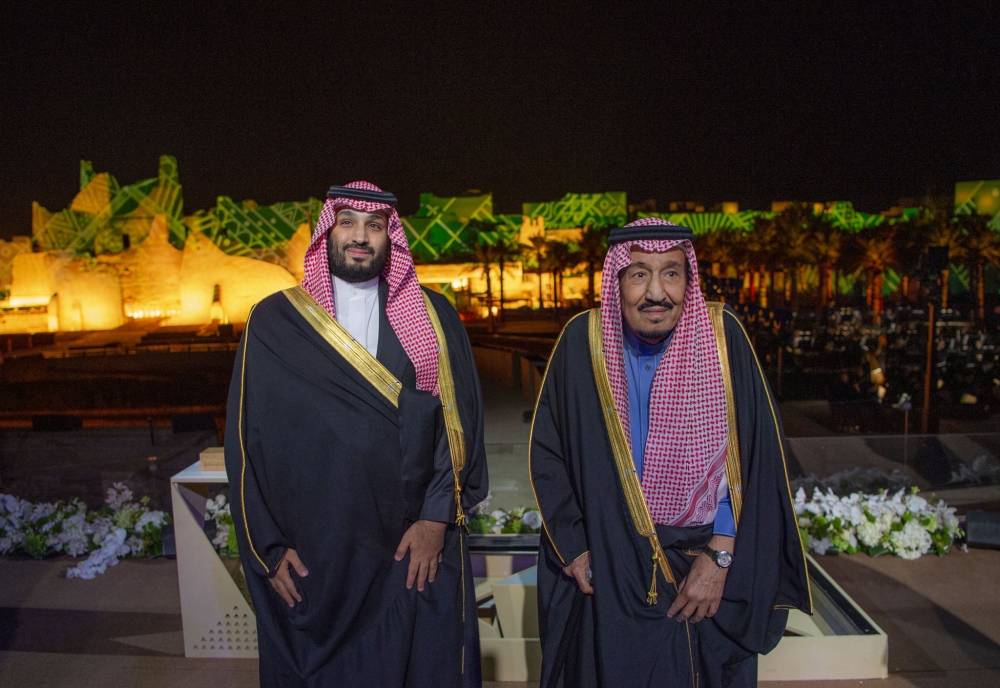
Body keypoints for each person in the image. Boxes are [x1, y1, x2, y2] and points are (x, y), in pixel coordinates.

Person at [225, 181, 487, 687]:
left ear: (392, 237)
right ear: (327, 232)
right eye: (347, 223)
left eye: (375, 225)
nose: (360, 236)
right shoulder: (275, 322)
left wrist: (435, 520)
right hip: (317, 550)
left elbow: (457, 427)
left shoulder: (433, 317)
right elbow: (245, 443)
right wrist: (269, 547)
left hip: (408, 547)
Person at [530, 218, 811, 687]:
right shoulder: (583, 342)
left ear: (689, 279)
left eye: (671, 273)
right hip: (609, 561)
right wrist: (575, 549)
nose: (655, 292)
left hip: (699, 567)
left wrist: (721, 556)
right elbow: (550, 453)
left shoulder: (723, 338)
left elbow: (758, 460)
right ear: (617, 279)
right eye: (639, 273)